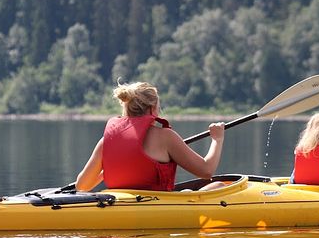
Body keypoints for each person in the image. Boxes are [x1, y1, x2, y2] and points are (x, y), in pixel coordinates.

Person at [76, 81, 225, 192]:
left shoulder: (106, 141)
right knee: (219, 186)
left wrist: (108, 170)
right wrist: (217, 139)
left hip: (119, 205)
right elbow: (206, 171)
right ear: (153, 108)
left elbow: (82, 186)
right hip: (158, 206)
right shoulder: (165, 137)